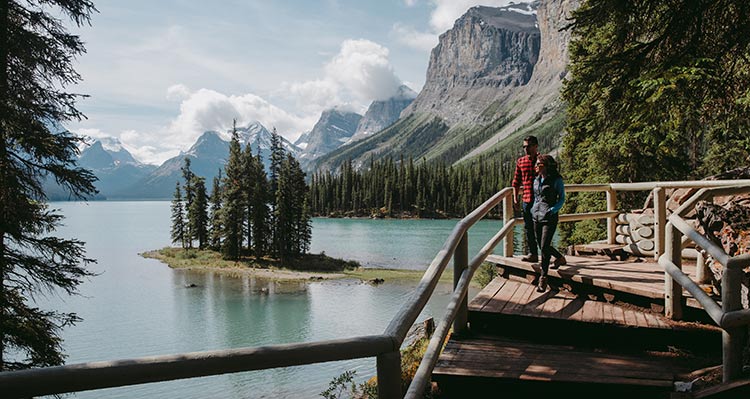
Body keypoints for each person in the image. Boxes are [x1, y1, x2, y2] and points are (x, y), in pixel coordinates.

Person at [531, 154, 566, 292]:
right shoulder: (537, 179)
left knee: (544, 246)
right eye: (536, 164)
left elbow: (562, 198)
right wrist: (534, 209)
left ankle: (543, 277)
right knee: (541, 245)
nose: (536, 167)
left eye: (539, 164)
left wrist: (552, 210)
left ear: (546, 166)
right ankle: (560, 258)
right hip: (536, 216)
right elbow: (536, 197)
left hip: (549, 217)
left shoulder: (556, 180)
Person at [512, 136, 540, 262]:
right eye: (524, 146)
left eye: (528, 146)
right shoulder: (521, 161)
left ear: (535, 146)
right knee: (528, 228)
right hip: (527, 200)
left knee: (540, 228)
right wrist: (515, 198)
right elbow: (516, 182)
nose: (525, 149)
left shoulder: (542, 160)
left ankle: (549, 255)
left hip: (541, 201)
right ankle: (533, 254)